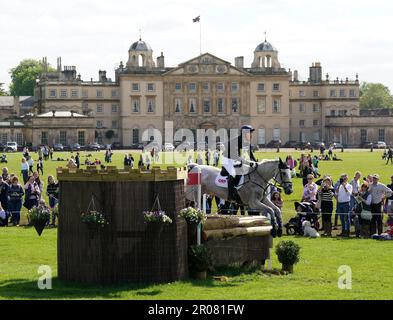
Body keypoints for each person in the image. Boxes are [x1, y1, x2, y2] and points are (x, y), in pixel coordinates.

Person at [222, 125, 257, 201]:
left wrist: (256, 163)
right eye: (250, 133)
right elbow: (235, 156)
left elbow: (250, 154)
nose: (251, 135)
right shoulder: (236, 141)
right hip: (227, 159)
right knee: (234, 173)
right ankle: (230, 195)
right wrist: (248, 162)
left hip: (234, 158)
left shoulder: (246, 141)